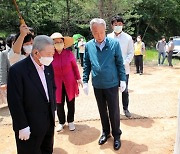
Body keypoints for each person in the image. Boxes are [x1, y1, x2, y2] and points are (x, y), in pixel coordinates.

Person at [7, 35, 56, 154]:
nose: (51, 57)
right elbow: (14, 101)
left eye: (52, 53)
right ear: (36, 52)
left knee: (47, 150)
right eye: (49, 54)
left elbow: (52, 89)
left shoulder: (48, 67)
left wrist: (53, 111)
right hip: (29, 126)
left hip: (48, 122)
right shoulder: (17, 71)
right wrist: (22, 126)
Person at [83, 18, 126, 150]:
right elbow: (86, 64)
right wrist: (85, 81)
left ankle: (116, 135)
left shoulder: (114, 44)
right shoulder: (89, 46)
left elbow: (120, 63)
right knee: (102, 110)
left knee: (114, 111)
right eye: (96, 32)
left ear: (105, 30)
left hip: (112, 83)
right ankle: (105, 132)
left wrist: (122, 79)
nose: (99, 35)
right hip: (98, 84)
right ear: (92, 32)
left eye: (101, 32)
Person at [50, 32, 83, 132]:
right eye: (56, 42)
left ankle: (71, 121)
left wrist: (78, 78)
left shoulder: (69, 54)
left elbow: (74, 67)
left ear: (64, 43)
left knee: (70, 102)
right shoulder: (50, 55)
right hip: (56, 83)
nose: (58, 44)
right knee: (59, 103)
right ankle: (61, 122)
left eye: (60, 42)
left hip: (70, 82)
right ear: (53, 44)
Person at [107, 15, 134, 118]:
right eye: (115, 24)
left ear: (123, 25)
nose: (117, 26)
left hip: (124, 69)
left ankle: (125, 108)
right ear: (112, 26)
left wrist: (124, 63)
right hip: (111, 69)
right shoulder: (108, 37)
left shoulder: (128, 38)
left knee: (125, 90)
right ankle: (113, 110)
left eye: (119, 24)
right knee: (112, 91)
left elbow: (131, 53)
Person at [0, 34, 15, 105]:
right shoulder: (5, 53)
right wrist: (3, 83)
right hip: (11, 80)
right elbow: (3, 69)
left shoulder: (24, 53)